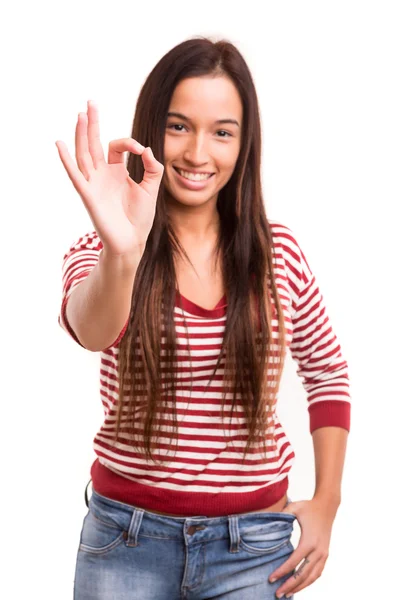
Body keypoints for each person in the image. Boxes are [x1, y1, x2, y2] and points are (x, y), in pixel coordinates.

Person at [56, 36, 351, 600]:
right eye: (178, 126)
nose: (197, 153)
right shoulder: (102, 251)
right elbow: (92, 331)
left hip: (253, 549)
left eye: (222, 131)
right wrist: (123, 249)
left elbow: (328, 372)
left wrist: (327, 503)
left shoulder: (279, 255)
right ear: (152, 129)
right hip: (126, 543)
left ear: (244, 144)